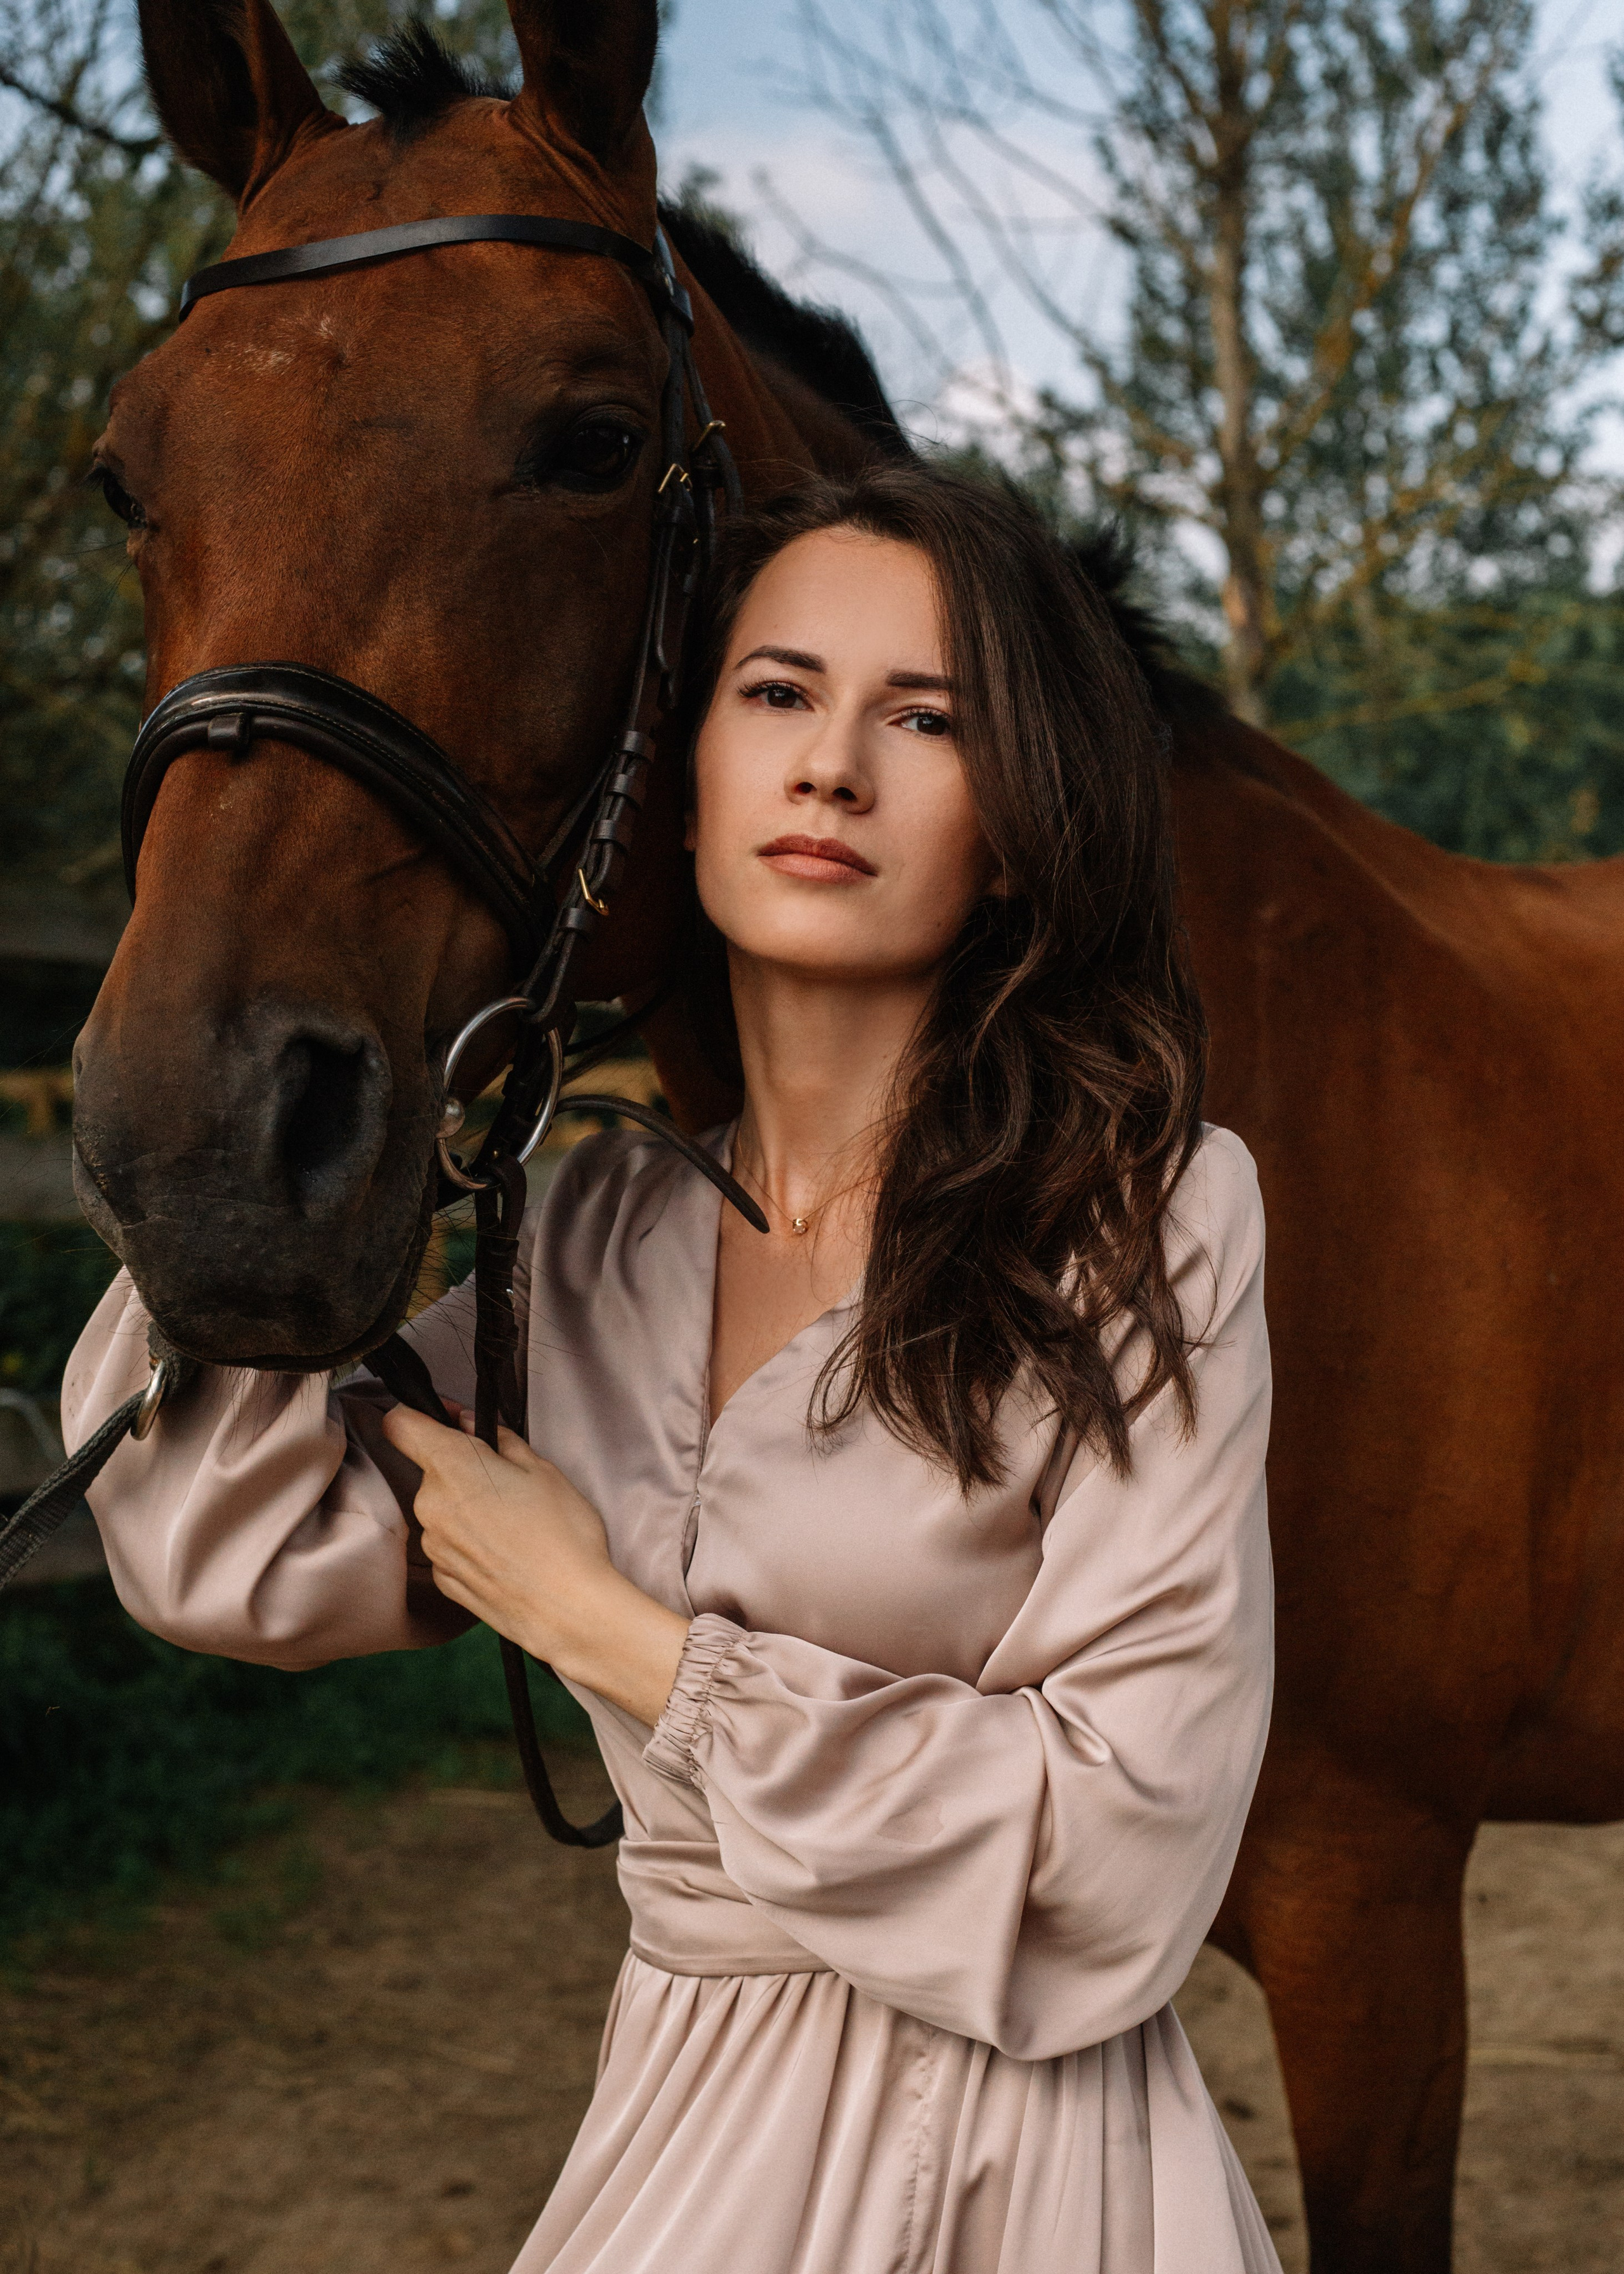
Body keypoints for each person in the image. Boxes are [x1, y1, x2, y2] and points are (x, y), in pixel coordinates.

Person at [65, 465, 1278, 2274]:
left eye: (924, 718)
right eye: (776, 693)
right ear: (684, 785)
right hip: (684, 2132)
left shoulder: (1147, 1214)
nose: (830, 766)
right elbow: (228, 1551)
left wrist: (600, 1623)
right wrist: (303, 1123)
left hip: (1028, 2165)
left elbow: (1121, 1854)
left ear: (1018, 821)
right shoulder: (595, 1235)